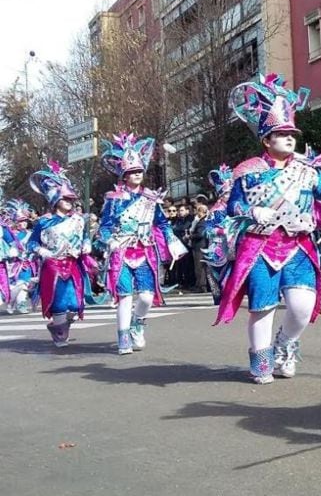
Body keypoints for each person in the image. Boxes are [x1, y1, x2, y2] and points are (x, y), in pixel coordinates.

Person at [214, 74, 321, 384]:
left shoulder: (307, 172)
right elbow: (233, 206)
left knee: (301, 307)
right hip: (260, 246)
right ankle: (261, 359)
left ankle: (285, 344)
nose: (289, 139)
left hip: (298, 246)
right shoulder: (248, 171)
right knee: (262, 307)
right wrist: (251, 210)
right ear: (266, 140)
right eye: (281, 133)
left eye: (291, 134)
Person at [96, 133, 187, 355]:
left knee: (146, 297)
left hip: (145, 252)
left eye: (139, 171)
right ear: (124, 175)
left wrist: (172, 241)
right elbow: (105, 226)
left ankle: (138, 324)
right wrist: (109, 241)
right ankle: (123, 337)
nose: (137, 175)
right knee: (125, 296)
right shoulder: (113, 199)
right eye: (132, 172)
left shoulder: (150, 198)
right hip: (122, 251)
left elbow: (163, 223)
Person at [26, 162, 94, 348]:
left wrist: (86, 246)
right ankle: (60, 333)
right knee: (59, 302)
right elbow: (32, 243)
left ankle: (59, 327)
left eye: (71, 199)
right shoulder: (44, 222)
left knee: (74, 303)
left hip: (73, 264)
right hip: (53, 265)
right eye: (65, 198)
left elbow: (85, 238)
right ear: (55, 199)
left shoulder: (78, 220)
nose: (69, 202)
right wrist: (43, 251)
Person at [200, 165, 234, 305]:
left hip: (233, 243)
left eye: (231, 193)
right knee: (216, 271)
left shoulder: (235, 207)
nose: (229, 196)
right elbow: (207, 229)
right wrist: (222, 230)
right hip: (218, 245)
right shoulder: (215, 210)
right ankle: (218, 295)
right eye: (226, 193)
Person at [1, 199, 36, 314]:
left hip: (27, 263)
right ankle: (11, 303)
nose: (23, 223)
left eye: (25, 221)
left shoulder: (31, 234)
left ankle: (21, 303)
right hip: (14, 264)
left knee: (25, 284)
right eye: (20, 221)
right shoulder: (11, 234)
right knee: (14, 285)